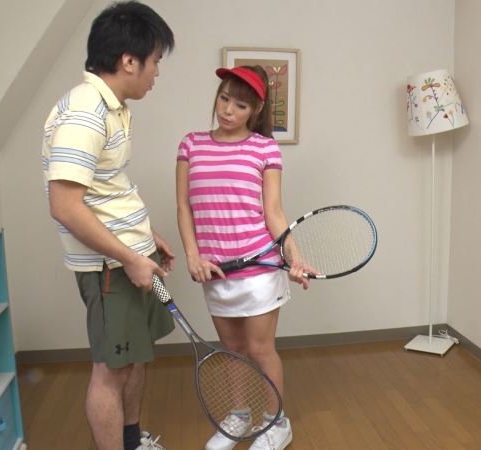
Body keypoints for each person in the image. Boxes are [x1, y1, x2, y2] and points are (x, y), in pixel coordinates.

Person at [41, 2, 175, 450]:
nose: (157, 72)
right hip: (111, 269)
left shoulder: (111, 107)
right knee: (111, 370)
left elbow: (106, 189)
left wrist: (145, 237)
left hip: (129, 257)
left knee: (133, 359)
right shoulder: (85, 113)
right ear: (129, 61)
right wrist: (129, 257)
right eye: (155, 61)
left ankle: (133, 442)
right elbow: (64, 206)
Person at [175, 65, 309, 450]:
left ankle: (276, 423)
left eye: (240, 105)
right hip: (216, 271)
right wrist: (192, 256)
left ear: (256, 110)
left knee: (261, 350)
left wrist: (295, 257)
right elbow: (184, 207)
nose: (228, 110)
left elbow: (274, 212)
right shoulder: (191, 144)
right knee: (231, 349)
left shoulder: (264, 148)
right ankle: (239, 416)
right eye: (224, 99)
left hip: (260, 269)